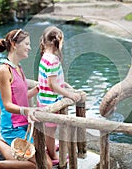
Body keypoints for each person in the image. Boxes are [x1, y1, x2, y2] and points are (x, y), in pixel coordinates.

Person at [0, 29, 53, 169]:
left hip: (24, 125)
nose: (29, 47)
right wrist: (27, 110)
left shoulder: (18, 68)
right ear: (14, 44)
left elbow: (20, 97)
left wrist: (39, 88)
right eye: (27, 44)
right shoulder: (4, 70)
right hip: (12, 127)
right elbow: (7, 105)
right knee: (45, 165)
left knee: (40, 161)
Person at [37, 26, 81, 164]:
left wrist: (64, 84)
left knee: (50, 129)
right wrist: (69, 94)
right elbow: (52, 85)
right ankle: (53, 155)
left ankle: (50, 147)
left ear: (44, 41)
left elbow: (51, 79)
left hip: (43, 98)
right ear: (59, 41)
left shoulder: (45, 56)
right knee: (51, 130)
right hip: (51, 102)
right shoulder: (54, 60)